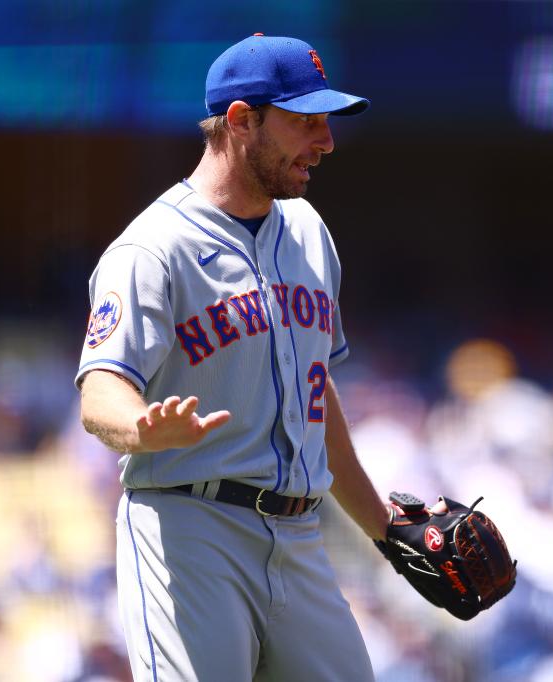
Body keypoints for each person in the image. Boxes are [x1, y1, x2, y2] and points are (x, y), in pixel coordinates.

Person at [76, 34, 390, 681]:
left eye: (327, 123)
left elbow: (313, 392)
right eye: (306, 122)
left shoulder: (307, 231)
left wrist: (386, 532)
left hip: (300, 536)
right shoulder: (153, 248)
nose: (326, 141)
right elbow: (100, 387)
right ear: (242, 121)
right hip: (192, 528)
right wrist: (139, 427)